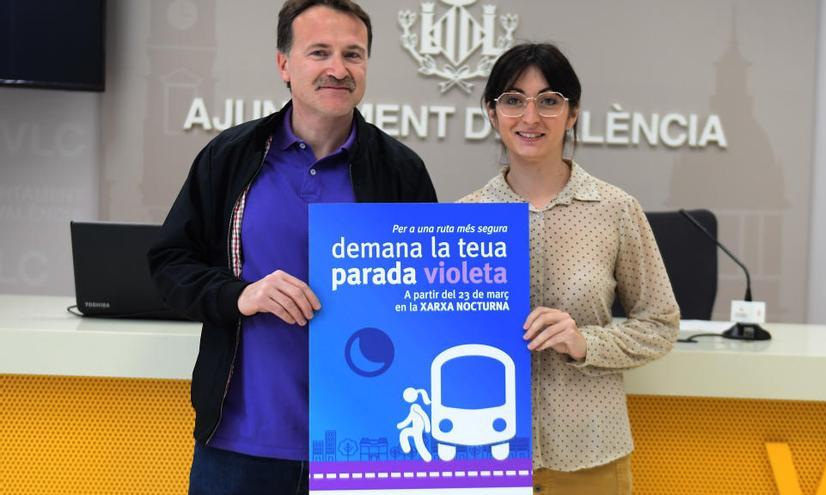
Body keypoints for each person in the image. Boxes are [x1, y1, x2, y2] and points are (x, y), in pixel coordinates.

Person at [148, 1, 437, 493]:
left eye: (353, 54)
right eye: (319, 52)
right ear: (284, 64)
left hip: (362, 442)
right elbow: (170, 263)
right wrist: (239, 294)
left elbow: (430, 297)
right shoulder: (231, 156)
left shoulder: (399, 170)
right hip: (241, 443)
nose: (338, 69)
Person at [460, 43, 680, 495]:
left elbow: (660, 323)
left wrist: (586, 343)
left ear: (573, 113)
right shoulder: (462, 218)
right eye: (513, 100)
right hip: (485, 458)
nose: (530, 117)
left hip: (590, 456)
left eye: (549, 101)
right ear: (492, 112)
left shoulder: (616, 210)